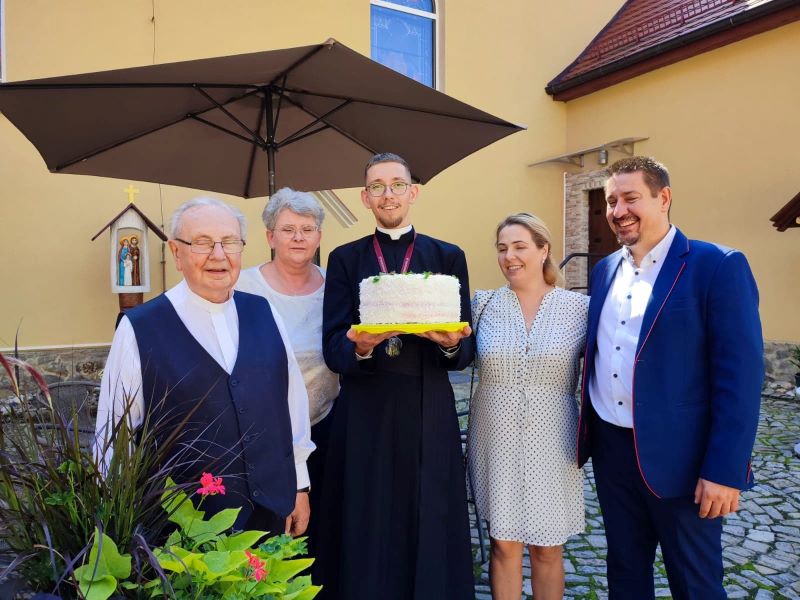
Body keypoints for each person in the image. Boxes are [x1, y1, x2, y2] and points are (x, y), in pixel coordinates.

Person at [577, 157, 763, 599]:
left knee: (695, 583)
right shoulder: (603, 270)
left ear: (664, 198)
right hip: (612, 450)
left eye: (630, 198)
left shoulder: (716, 265)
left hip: (684, 459)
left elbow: (740, 379)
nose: (618, 210)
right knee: (625, 573)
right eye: (611, 201)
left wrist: (725, 471)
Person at [94, 197, 315, 535]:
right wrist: (118, 522)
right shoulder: (140, 328)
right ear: (176, 252)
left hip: (271, 511)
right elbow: (114, 435)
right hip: (184, 528)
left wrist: (299, 485)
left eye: (230, 242)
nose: (218, 254)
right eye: (202, 242)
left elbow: (291, 404)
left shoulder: (264, 312)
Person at [317, 152, 475, 600]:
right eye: (377, 187)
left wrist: (449, 343)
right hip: (365, 409)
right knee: (368, 513)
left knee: (429, 511)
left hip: (428, 406)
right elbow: (333, 347)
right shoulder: (344, 259)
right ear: (364, 197)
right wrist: (360, 346)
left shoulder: (448, 256)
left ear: (413, 192)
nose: (388, 195)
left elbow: (466, 349)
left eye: (397, 185)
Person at [468, 213, 588, 600]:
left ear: (543, 250)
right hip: (495, 438)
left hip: (554, 440)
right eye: (502, 248)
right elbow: (452, 354)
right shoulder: (482, 304)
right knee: (503, 545)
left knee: (547, 548)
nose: (509, 256)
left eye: (520, 246)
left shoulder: (579, 308)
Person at [236, 187, 339, 551]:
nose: (298, 237)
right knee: (271, 533)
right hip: (263, 436)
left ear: (319, 236)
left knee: (322, 534)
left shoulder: (336, 287)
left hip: (325, 429)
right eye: (288, 229)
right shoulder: (243, 287)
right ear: (270, 237)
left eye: (307, 229)